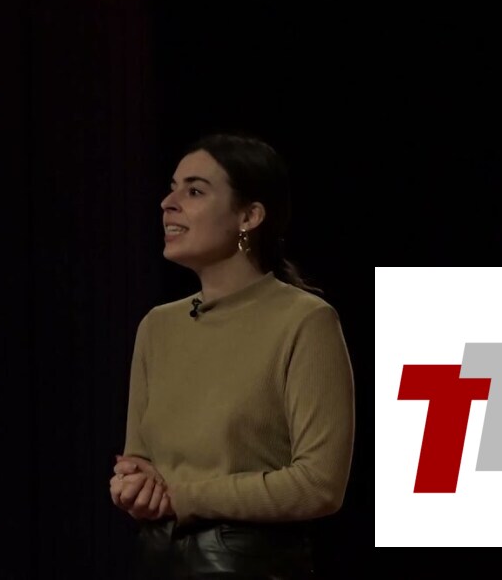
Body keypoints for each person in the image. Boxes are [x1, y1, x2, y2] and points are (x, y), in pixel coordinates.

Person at [108, 132, 355, 579]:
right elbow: (138, 460)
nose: (168, 202)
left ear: (249, 216)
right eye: (172, 187)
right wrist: (131, 487)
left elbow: (319, 485)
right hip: (154, 559)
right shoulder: (157, 326)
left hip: (247, 562)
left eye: (194, 191)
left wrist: (181, 497)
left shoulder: (305, 321)